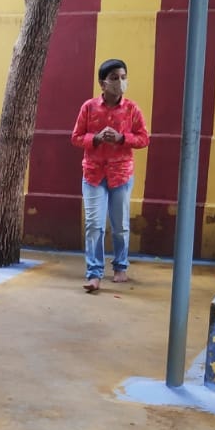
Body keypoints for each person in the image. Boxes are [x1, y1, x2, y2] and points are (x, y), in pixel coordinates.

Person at [70, 58, 150, 292]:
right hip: (93, 174)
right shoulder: (88, 108)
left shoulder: (132, 109)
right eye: (114, 78)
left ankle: (120, 267)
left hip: (121, 175)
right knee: (94, 225)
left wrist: (122, 138)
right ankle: (94, 273)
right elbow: (75, 137)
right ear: (102, 83)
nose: (120, 82)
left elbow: (144, 138)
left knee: (120, 226)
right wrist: (94, 138)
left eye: (123, 77)